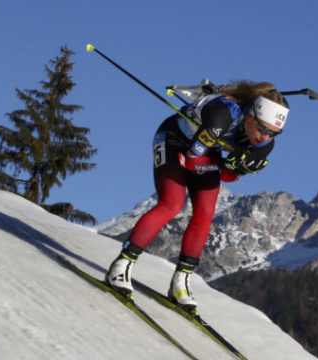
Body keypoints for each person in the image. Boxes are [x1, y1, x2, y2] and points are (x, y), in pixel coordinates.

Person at [105, 80, 289, 309]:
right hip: (174, 139)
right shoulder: (222, 116)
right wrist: (227, 165)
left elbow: (227, 177)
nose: (264, 137)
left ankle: (181, 281)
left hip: (207, 153)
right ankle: (122, 264)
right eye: (262, 129)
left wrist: (237, 168)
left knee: (204, 215)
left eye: (274, 133)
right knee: (171, 204)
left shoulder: (264, 145)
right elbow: (193, 161)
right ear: (250, 116)